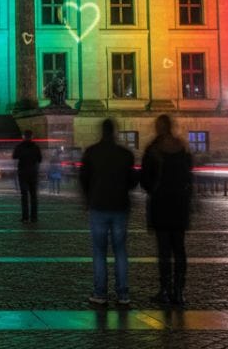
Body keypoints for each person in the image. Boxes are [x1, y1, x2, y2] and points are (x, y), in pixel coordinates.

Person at [80, 119, 138, 307]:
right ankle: (123, 294)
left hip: (98, 205)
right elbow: (133, 180)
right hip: (120, 206)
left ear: (101, 132)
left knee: (99, 252)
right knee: (120, 251)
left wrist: (88, 198)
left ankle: (100, 293)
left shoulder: (91, 152)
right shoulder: (125, 154)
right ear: (115, 132)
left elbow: (83, 180)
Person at [139, 114, 194, 308]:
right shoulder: (183, 148)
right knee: (179, 249)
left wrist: (154, 189)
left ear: (158, 127)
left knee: (164, 250)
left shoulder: (153, 149)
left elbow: (144, 179)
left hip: (161, 204)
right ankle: (179, 291)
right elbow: (190, 176)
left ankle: (165, 290)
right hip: (179, 204)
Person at [12, 130, 43, 223]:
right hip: (33, 173)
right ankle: (34, 217)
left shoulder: (19, 146)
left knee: (24, 196)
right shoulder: (36, 147)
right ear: (32, 136)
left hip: (23, 173)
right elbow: (40, 159)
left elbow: (14, 156)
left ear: (23, 136)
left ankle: (25, 217)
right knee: (33, 196)